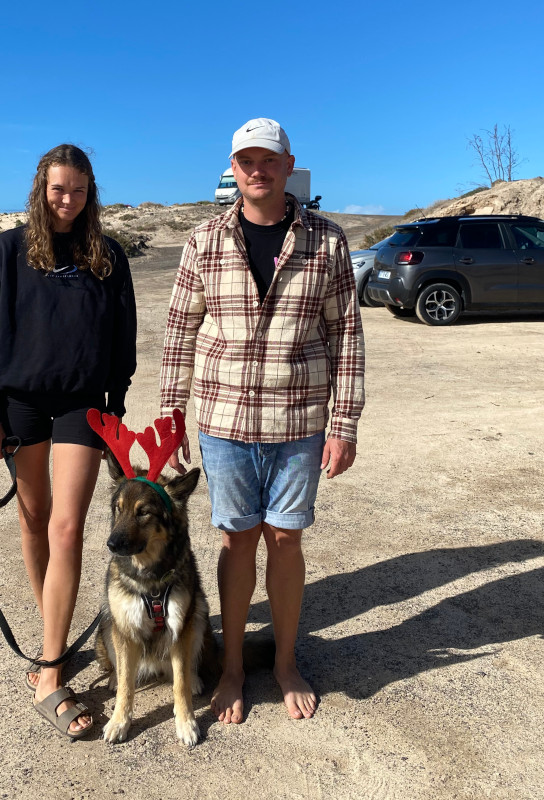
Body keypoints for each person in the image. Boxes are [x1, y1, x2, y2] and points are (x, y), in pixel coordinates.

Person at [160, 118, 364, 725]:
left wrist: (344, 423)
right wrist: (171, 417)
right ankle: (229, 671)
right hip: (223, 422)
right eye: (246, 160)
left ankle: (283, 662)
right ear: (233, 167)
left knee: (286, 540)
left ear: (288, 163)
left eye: (268, 159)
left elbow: (345, 335)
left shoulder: (326, 240)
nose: (257, 170)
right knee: (235, 540)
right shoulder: (204, 240)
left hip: (298, 421)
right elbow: (180, 331)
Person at [0, 144, 137, 739]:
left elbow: (122, 338)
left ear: (92, 194)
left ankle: (47, 674)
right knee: (34, 520)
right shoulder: (8, 251)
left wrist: (115, 411)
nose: (67, 200)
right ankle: (53, 639)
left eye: (79, 190)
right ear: (41, 188)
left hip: (81, 405)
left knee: (67, 526)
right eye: (58, 189)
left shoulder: (108, 257)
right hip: (19, 406)